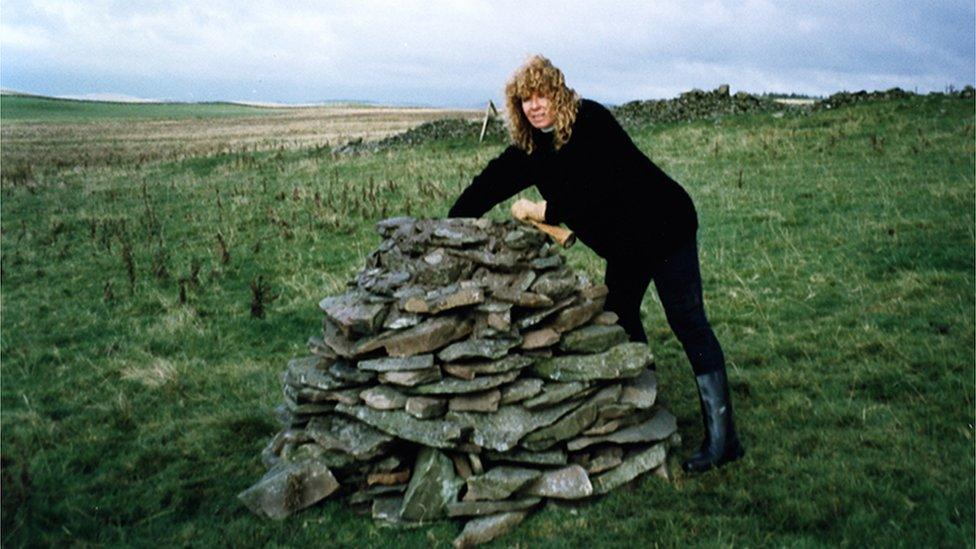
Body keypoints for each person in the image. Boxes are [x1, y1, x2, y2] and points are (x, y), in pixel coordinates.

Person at [448, 55, 744, 473]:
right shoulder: (533, 147)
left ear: (559, 93)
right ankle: (645, 405)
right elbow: (491, 182)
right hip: (626, 248)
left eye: (541, 95)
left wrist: (538, 209)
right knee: (620, 318)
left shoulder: (592, 121)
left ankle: (724, 440)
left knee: (687, 322)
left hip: (665, 227)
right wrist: (447, 224)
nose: (534, 106)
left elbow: (592, 192)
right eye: (524, 100)